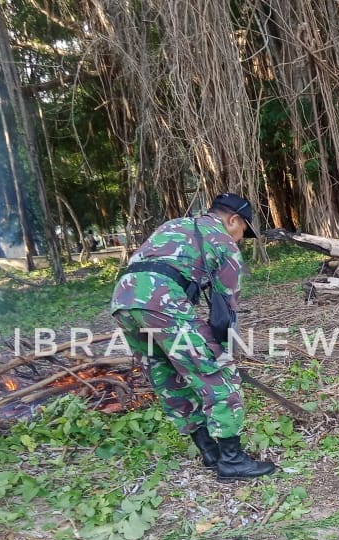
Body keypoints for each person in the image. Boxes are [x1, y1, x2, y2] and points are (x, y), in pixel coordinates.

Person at [111, 192, 277, 483]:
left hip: (124, 299)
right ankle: (232, 460)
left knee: (166, 374)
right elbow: (226, 308)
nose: (240, 238)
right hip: (160, 300)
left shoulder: (174, 225)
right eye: (243, 232)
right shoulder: (223, 241)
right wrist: (221, 352)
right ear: (233, 220)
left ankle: (209, 451)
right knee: (217, 375)